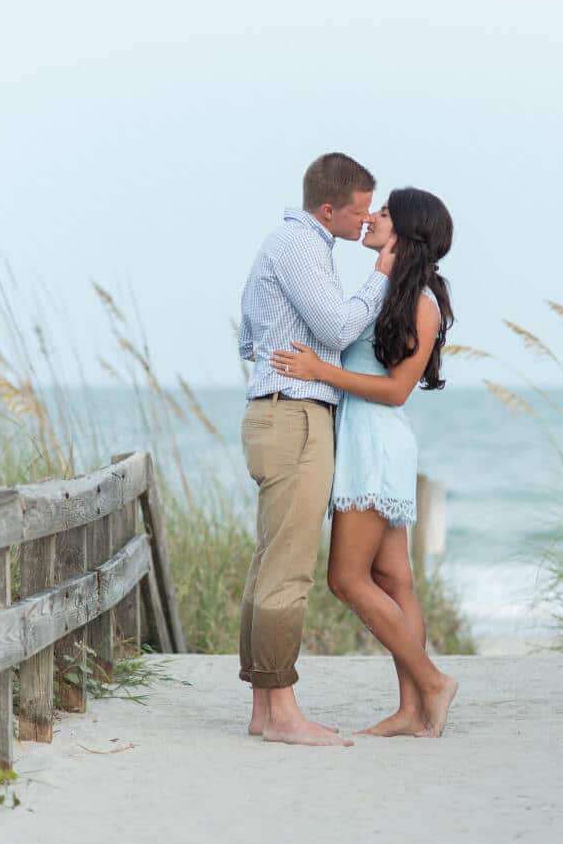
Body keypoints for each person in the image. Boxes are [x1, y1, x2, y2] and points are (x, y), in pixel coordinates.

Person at [270, 186, 459, 737]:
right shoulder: (388, 291)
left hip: (375, 448)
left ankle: (432, 683)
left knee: (347, 579)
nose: (372, 217)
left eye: (383, 212)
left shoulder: (421, 303)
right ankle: (413, 712)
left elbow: (398, 390)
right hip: (365, 442)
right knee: (394, 579)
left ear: (405, 229)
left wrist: (318, 371)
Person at [236, 151, 395, 747]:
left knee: (269, 563)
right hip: (296, 416)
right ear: (327, 208)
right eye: (357, 211)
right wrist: (383, 270)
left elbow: (250, 335)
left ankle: (264, 706)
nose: (365, 221)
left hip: (277, 411)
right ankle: (282, 713)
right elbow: (334, 327)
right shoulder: (301, 245)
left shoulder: (289, 243)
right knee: (289, 569)